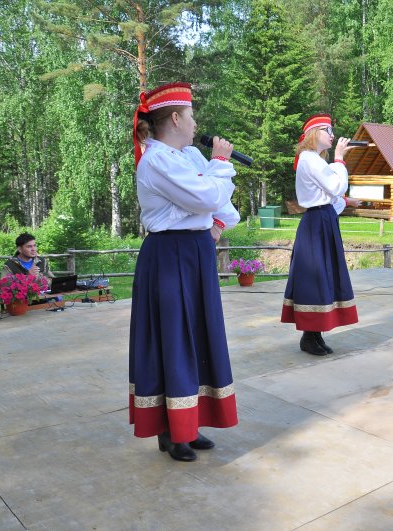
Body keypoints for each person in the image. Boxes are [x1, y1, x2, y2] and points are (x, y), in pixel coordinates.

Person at [129, 81, 241, 462]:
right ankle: (170, 431)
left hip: (194, 252)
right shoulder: (157, 159)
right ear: (175, 118)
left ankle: (189, 426)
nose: (196, 124)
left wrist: (217, 224)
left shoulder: (190, 156)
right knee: (173, 338)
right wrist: (221, 164)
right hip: (169, 255)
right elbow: (208, 196)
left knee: (197, 335)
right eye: (191, 116)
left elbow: (223, 207)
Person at [281, 114, 360, 355]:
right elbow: (335, 186)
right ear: (315, 133)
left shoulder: (313, 160)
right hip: (316, 224)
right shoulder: (309, 158)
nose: (333, 135)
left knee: (323, 276)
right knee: (315, 277)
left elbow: (329, 197)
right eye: (328, 130)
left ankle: (314, 335)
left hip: (321, 221)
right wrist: (339, 159)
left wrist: (345, 202)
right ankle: (309, 336)